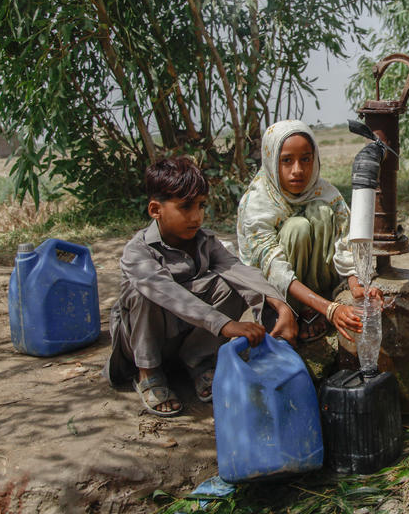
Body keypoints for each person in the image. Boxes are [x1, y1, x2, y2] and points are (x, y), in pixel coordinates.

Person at [104, 156, 297, 417]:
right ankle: (148, 373)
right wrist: (224, 324)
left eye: (201, 205)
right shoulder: (137, 251)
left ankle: (198, 361)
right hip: (148, 341)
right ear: (155, 209)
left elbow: (238, 270)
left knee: (231, 282)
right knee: (145, 294)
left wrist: (280, 304)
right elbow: (168, 293)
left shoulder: (205, 241)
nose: (196, 217)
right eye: (185, 207)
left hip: (185, 335)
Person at [236, 120, 381, 344]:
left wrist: (356, 282)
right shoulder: (258, 203)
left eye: (306, 159)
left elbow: (346, 241)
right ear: (271, 160)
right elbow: (274, 268)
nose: (298, 170)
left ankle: (313, 305)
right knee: (297, 228)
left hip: (318, 284)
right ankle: (296, 310)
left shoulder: (324, 192)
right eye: (286, 161)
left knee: (322, 212)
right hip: (276, 293)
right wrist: (330, 309)